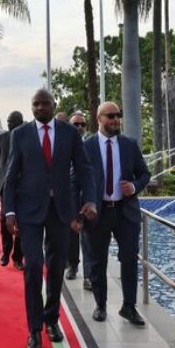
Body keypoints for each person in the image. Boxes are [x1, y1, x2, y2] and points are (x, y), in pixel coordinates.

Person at [4, 88, 96, 348]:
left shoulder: (69, 133)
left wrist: (90, 199)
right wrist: (9, 211)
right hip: (29, 211)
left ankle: (51, 319)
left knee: (56, 267)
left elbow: (84, 168)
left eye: (45, 103)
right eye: (36, 104)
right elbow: (11, 174)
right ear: (31, 106)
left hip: (61, 210)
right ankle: (34, 330)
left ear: (54, 105)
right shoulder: (20, 134)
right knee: (33, 266)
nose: (40, 108)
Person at [84, 102, 150, 326]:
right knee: (97, 261)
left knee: (130, 257)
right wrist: (79, 210)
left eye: (118, 115)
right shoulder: (87, 146)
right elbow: (75, 179)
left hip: (125, 212)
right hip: (98, 212)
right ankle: (100, 305)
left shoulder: (129, 145)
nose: (116, 120)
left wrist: (134, 186)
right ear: (99, 118)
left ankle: (129, 307)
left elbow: (144, 174)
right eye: (111, 116)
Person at [0, 111, 24, 269]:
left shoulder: (26, 137)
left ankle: (18, 257)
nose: (10, 124)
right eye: (9, 121)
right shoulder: (0, 138)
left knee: (22, 222)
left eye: (13, 121)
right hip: (4, 186)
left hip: (23, 186)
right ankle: (5, 252)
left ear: (20, 122)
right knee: (5, 221)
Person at [66, 111, 93, 290]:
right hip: (70, 196)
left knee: (89, 238)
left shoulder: (90, 145)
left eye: (82, 124)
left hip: (89, 198)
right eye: (76, 124)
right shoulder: (63, 144)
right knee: (72, 234)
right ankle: (73, 265)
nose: (79, 127)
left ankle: (89, 276)